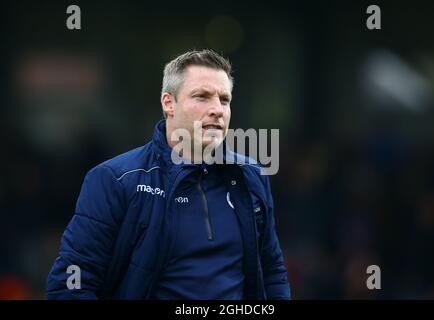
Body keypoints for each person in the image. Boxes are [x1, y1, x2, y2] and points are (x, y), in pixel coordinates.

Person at [46, 49, 291, 300]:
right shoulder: (115, 179)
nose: (217, 109)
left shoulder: (251, 176)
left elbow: (272, 272)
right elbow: (71, 282)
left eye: (224, 99)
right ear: (168, 103)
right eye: (202, 97)